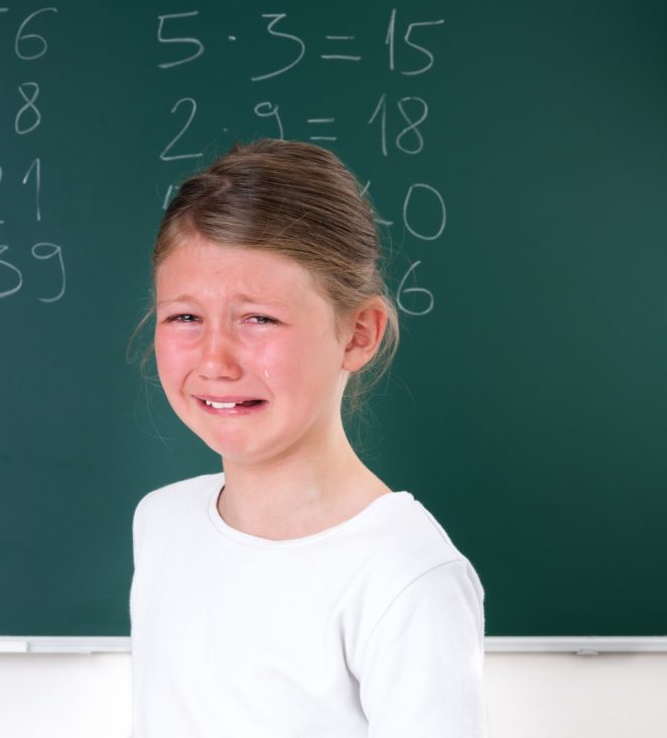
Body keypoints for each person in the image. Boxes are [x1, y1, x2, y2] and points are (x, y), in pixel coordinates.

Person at [130, 139, 486, 737]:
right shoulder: (161, 521)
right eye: (185, 317)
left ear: (357, 334)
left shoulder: (404, 576)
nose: (214, 360)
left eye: (259, 318)